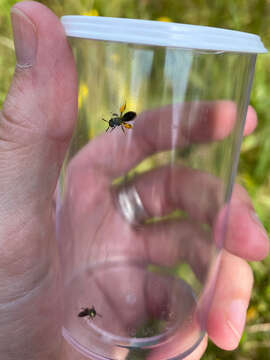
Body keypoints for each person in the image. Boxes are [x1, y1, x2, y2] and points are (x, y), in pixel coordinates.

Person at [0, 1, 268, 359]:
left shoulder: (120, 122)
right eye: (117, 123)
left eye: (117, 123)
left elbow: (121, 119)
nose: (115, 125)